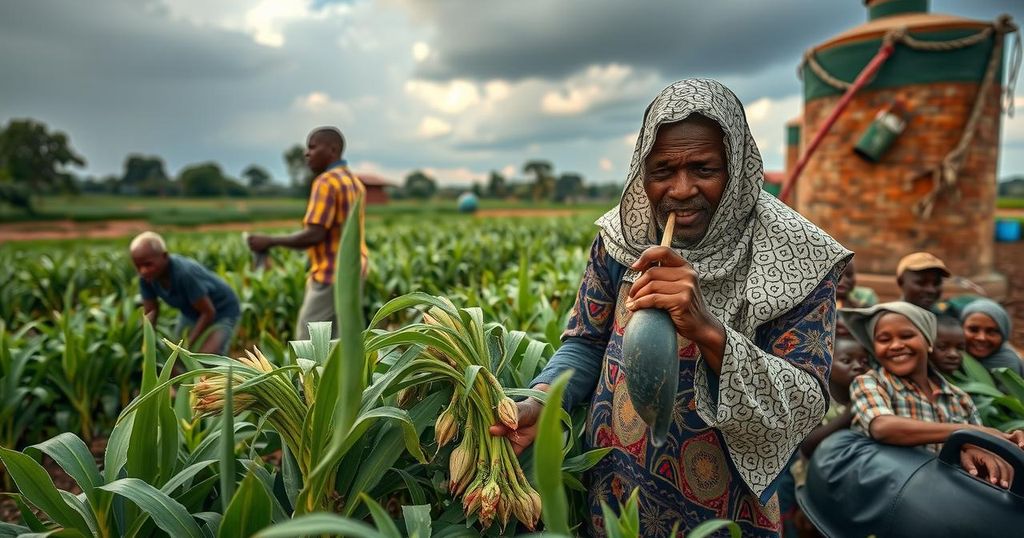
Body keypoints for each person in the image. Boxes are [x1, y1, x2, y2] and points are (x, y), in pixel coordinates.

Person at [490, 79, 852, 537]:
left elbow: (804, 402)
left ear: (736, 167)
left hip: (725, 510)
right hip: (612, 486)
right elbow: (585, 344)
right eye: (663, 171)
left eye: (704, 169)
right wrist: (539, 400)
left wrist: (708, 330)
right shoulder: (622, 239)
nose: (681, 190)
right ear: (642, 171)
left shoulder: (797, 256)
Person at [842, 302, 1024, 488]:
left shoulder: (959, 398)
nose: (896, 345)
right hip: (891, 493)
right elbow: (882, 427)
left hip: (940, 499)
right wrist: (969, 431)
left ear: (929, 341)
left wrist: (1005, 444)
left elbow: (976, 448)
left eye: (907, 336)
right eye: (884, 339)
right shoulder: (870, 383)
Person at [246, 127, 367, 340]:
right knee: (341, 338)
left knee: (308, 340)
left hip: (331, 272)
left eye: (312, 147)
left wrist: (270, 241)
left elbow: (315, 234)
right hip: (356, 268)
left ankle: (309, 376)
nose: (306, 153)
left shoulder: (326, 182)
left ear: (332, 149)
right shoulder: (354, 183)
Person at [130, 231, 240, 355]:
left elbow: (208, 312)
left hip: (221, 311)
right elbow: (151, 312)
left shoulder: (184, 274)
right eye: (138, 266)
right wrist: (146, 345)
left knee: (205, 358)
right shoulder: (146, 278)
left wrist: (185, 347)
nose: (143, 271)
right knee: (171, 356)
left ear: (165, 256)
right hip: (190, 312)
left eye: (148, 264)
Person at [960, 299, 1024, 376]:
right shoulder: (951, 356)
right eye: (973, 330)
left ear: (1003, 334)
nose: (981, 338)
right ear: (960, 328)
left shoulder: (1006, 365)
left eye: (992, 332)